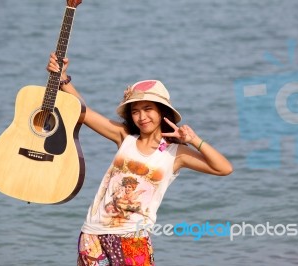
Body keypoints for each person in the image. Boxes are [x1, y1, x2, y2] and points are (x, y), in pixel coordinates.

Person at [47, 52, 233, 266]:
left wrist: (194, 140)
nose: (142, 117)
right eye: (135, 111)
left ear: (162, 112)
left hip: (133, 238)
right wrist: (63, 79)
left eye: (148, 109)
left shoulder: (176, 153)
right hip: (92, 235)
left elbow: (224, 168)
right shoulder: (124, 137)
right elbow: (83, 112)